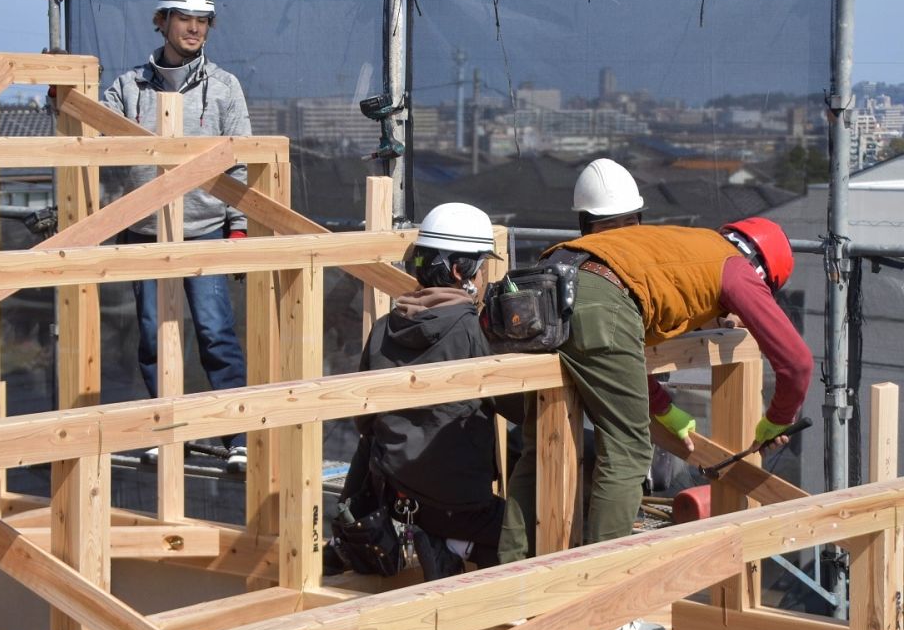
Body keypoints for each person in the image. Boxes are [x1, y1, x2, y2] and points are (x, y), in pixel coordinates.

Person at [492, 218, 812, 575]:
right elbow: (797, 363)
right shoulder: (735, 268)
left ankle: (510, 581)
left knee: (539, 450)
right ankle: (604, 593)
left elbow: (617, 353)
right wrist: (778, 419)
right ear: (761, 270)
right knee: (628, 451)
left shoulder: (685, 245)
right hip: (594, 295)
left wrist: (666, 411)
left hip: (543, 285)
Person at [101, 0, 251, 473]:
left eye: (203, 20)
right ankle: (168, 433)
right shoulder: (127, 88)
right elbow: (96, 133)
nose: (194, 29)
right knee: (153, 335)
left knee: (215, 334)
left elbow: (241, 163)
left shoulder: (225, 88)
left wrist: (238, 227)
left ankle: (236, 436)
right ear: (162, 21)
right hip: (144, 230)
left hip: (204, 228)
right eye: (184, 18)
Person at [335, 203, 519, 580]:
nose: (485, 277)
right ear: (459, 271)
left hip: (397, 497)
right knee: (534, 528)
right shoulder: (471, 331)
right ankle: (458, 544)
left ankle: (442, 537)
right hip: (461, 505)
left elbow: (365, 422)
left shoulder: (386, 326)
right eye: (482, 267)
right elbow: (518, 408)